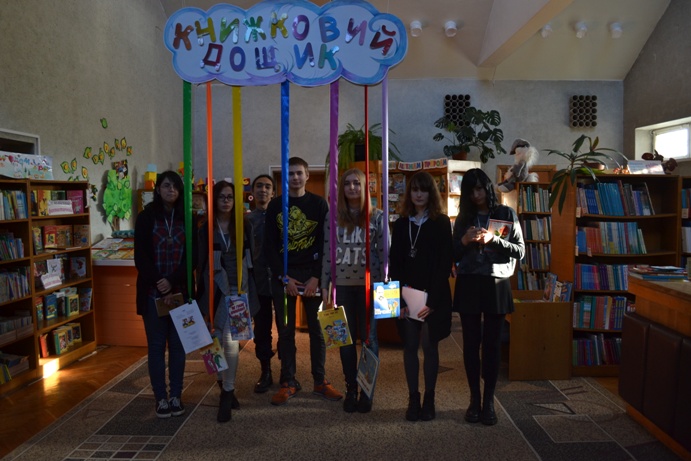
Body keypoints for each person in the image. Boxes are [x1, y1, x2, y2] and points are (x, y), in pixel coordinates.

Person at [264, 157, 342, 406]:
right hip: (285, 277)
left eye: (299, 173)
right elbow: (269, 246)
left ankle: (320, 380)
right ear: (285, 178)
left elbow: (326, 243)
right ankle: (288, 381)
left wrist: (317, 278)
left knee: (317, 331)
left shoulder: (319, 204)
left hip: (312, 277)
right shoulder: (275, 206)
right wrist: (283, 277)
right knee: (285, 331)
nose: (295, 177)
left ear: (307, 175)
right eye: (291, 174)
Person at [452, 168, 525, 426]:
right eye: (470, 191)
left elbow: (520, 251)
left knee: (492, 345)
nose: (476, 195)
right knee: (471, 344)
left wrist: (494, 239)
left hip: (497, 283)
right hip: (469, 283)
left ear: (487, 188)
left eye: (479, 189)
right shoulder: (464, 218)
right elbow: (452, 255)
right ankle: (474, 399)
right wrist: (463, 240)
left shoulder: (505, 213)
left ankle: (489, 401)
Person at [321, 168, 386, 413]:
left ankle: (366, 390)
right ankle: (351, 388)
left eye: (357, 183)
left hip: (370, 288)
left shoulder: (377, 216)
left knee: (370, 340)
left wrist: (385, 287)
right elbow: (327, 252)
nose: (352, 188)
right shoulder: (332, 217)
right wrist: (325, 284)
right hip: (342, 288)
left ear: (364, 187)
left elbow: (384, 254)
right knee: (344, 340)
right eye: (347, 183)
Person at [389, 171, 453, 422]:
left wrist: (432, 302)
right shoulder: (401, 223)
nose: (418, 194)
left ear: (431, 193)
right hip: (407, 295)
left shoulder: (441, 222)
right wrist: (400, 299)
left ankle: (429, 398)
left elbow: (444, 264)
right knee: (409, 346)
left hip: (433, 296)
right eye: (414, 189)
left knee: (429, 346)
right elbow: (395, 264)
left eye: (423, 190)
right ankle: (413, 398)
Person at [134, 170, 193, 419]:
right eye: (167, 186)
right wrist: (161, 284)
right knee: (157, 347)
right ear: (158, 189)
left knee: (178, 347)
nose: (171, 190)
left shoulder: (186, 218)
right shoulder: (146, 217)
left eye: (175, 187)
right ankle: (161, 398)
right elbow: (141, 257)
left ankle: (176, 395)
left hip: (179, 293)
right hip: (152, 293)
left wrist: (172, 282)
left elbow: (192, 257)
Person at [197, 180, 256, 422]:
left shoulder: (243, 225)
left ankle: (228, 392)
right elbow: (201, 261)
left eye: (230, 197)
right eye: (221, 197)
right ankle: (223, 385)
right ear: (214, 200)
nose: (226, 201)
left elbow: (251, 258)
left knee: (230, 339)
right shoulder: (206, 228)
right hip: (214, 289)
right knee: (214, 337)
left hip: (238, 289)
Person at [247, 174, 277, 393]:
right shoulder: (246, 220)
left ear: (273, 192)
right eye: (259, 186)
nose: (263, 190)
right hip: (257, 282)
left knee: (285, 329)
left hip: (280, 280)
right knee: (262, 329)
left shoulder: (281, 218)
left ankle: (288, 372)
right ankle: (265, 371)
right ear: (253, 191)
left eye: (267, 187)